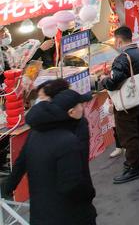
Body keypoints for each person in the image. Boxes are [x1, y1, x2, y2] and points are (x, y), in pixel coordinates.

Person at [2, 88, 96, 225]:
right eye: (80, 105)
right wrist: (89, 194)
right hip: (70, 216)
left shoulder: (34, 134)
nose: (83, 108)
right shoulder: (68, 140)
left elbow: (20, 164)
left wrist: (7, 188)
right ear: (71, 112)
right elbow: (72, 185)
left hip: (40, 215)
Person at [98, 25, 139, 184]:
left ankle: (133, 167)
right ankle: (138, 161)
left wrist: (103, 80)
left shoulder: (122, 58)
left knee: (129, 136)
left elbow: (113, 82)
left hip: (127, 104)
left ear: (118, 40)